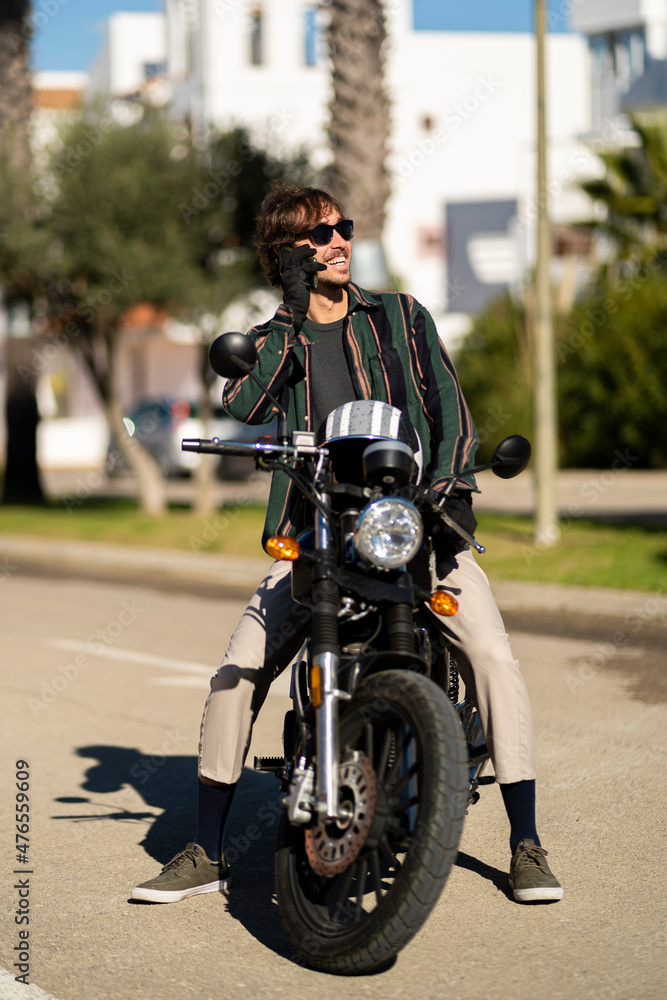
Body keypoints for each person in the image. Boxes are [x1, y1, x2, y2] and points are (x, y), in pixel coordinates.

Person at [132, 181, 563, 906]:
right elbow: (244, 403)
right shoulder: (278, 337)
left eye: (342, 229)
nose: (338, 242)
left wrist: (448, 491)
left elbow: (449, 415)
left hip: (412, 524)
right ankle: (206, 851)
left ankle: (525, 842)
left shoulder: (399, 317)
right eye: (317, 236)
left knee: (490, 653)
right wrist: (292, 312)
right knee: (238, 671)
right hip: (316, 530)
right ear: (285, 255)